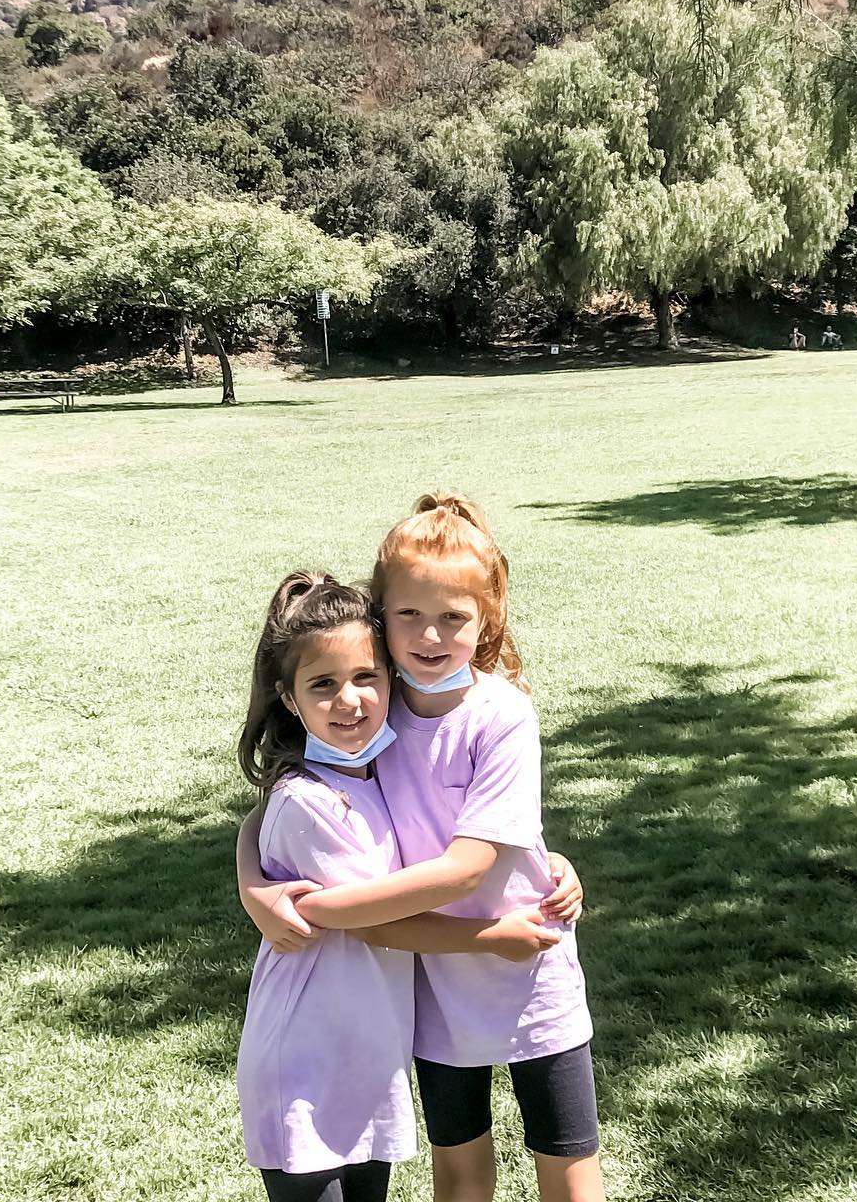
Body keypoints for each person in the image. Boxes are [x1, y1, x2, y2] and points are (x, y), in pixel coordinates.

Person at [238, 497, 603, 1202]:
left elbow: (470, 864)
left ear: (486, 619)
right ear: (380, 614)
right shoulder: (377, 704)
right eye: (407, 615)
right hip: (433, 990)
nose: (429, 635)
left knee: (567, 1167)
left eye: (454, 618)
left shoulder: (501, 714)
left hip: (531, 968)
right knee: (461, 1174)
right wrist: (253, 885)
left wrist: (335, 910)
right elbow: (284, 796)